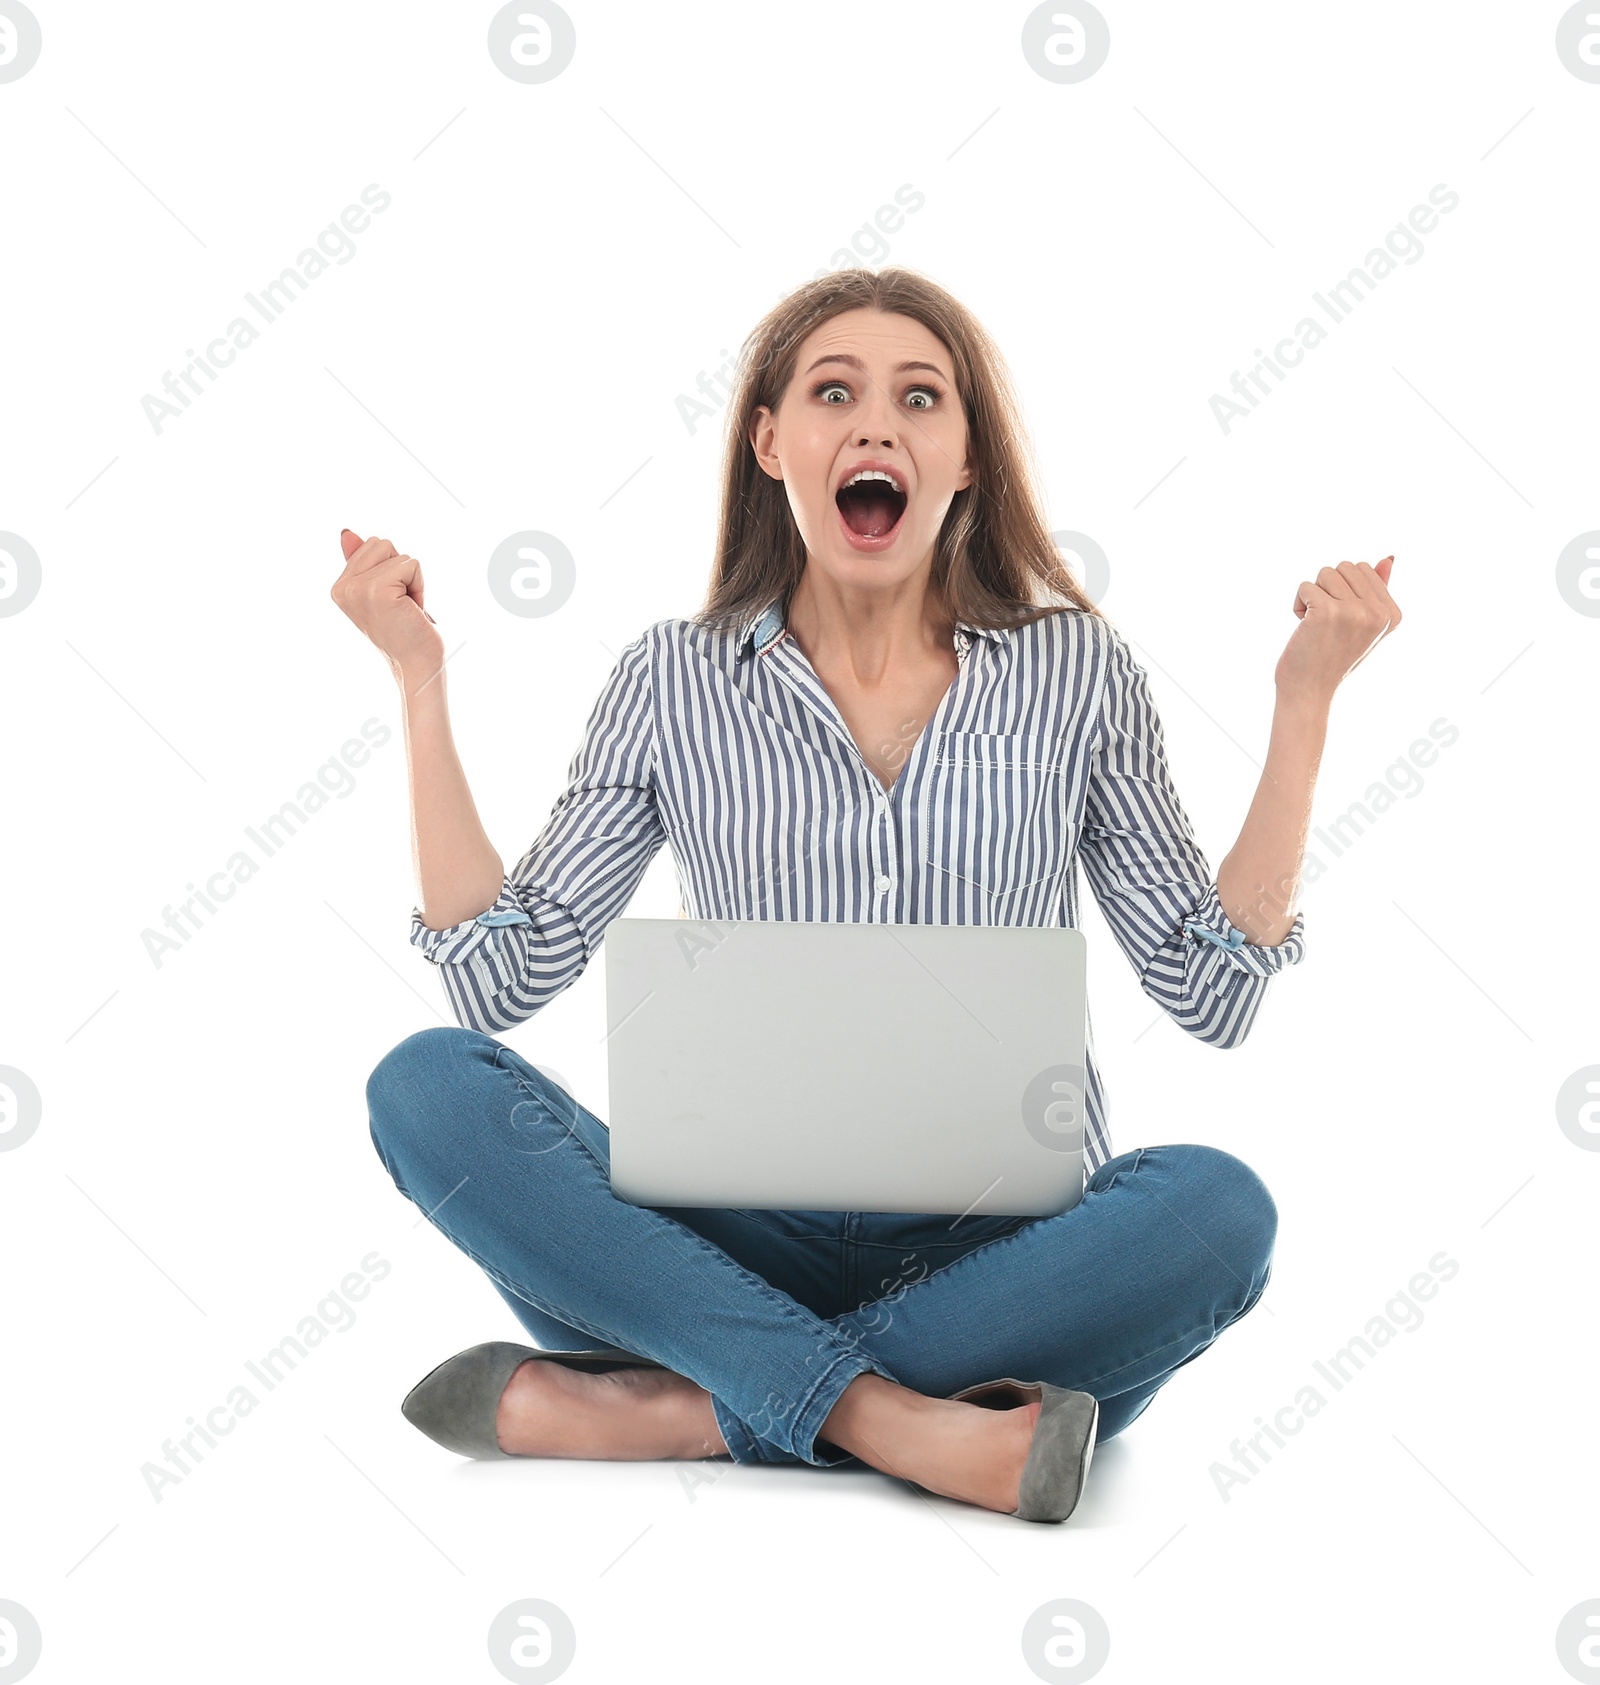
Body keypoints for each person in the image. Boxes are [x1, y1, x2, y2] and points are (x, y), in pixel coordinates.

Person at [333, 266, 1401, 1522]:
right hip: (715, 1246)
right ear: (772, 441)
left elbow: (1212, 988)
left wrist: (1304, 704)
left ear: (965, 459)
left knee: (1219, 1213)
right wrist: (417, 682)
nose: (875, 423)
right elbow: (497, 977)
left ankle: (685, 1401)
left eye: (920, 396)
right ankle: (898, 1420)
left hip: (1008, 1262)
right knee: (427, 1083)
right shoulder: (671, 678)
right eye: (832, 390)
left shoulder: (1075, 672)